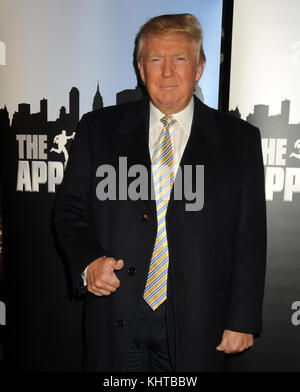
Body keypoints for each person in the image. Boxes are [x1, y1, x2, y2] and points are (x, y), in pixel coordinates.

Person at [53, 13, 266, 372]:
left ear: (199, 68)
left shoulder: (239, 141)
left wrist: (242, 317)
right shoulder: (98, 130)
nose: (167, 72)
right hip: (116, 313)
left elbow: (250, 237)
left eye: (179, 59)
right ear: (140, 68)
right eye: (155, 60)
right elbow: (69, 211)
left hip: (200, 321)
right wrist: (88, 262)